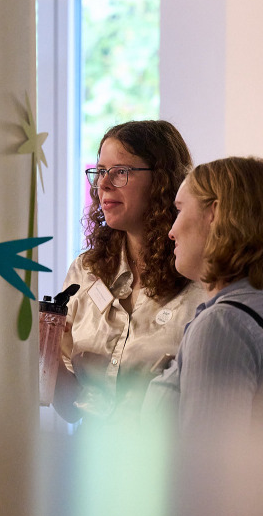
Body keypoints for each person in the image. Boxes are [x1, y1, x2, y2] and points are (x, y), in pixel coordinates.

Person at [146, 157, 263, 447]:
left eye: (180, 210)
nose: (171, 231)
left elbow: (207, 467)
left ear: (214, 213)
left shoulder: (221, 326)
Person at [53, 120, 204, 425]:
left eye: (120, 171)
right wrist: (43, 349)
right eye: (100, 171)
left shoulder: (199, 278)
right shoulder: (85, 271)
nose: (104, 184)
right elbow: (71, 408)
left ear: (161, 180)